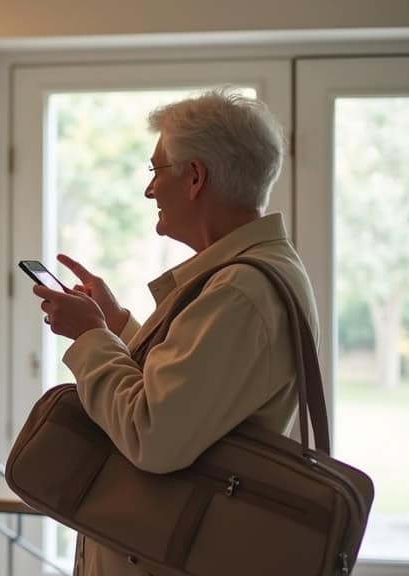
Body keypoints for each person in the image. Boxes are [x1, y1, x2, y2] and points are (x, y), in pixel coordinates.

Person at [31, 89, 319, 575]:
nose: (148, 191)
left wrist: (89, 338)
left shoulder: (240, 290)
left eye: (155, 170)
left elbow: (153, 433)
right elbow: (195, 392)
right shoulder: (249, 275)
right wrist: (117, 325)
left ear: (195, 177)